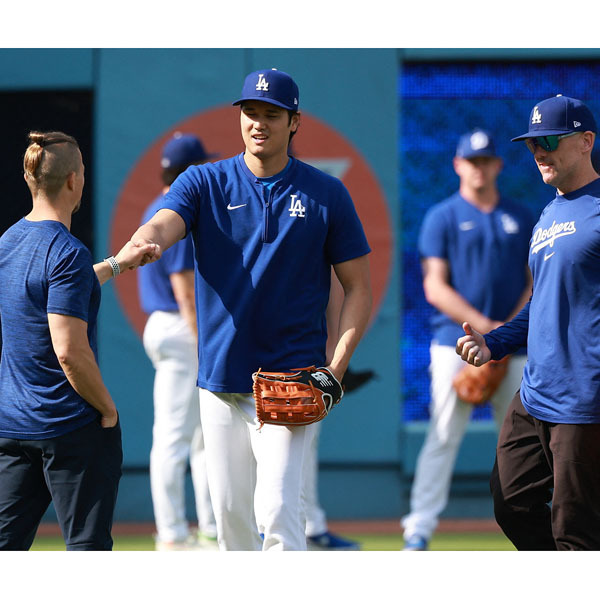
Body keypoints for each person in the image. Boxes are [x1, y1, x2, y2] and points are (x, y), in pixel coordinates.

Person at [129, 68, 373, 551]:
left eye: (271, 114)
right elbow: (165, 221)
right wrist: (145, 240)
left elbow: (357, 288)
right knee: (231, 521)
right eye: (250, 113)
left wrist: (335, 370)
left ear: (294, 122)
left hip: (291, 378)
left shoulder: (326, 193)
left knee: (281, 511)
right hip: (221, 379)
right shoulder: (204, 181)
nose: (258, 123)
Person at [456, 95, 600, 550]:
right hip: (536, 393)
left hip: (585, 398)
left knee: (575, 528)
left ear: (585, 141)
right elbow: (542, 303)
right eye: (533, 143)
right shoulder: (548, 216)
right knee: (511, 501)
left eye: (551, 140)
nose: (540, 151)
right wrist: (493, 343)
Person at [0, 131, 153, 550]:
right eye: (82, 170)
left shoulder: (7, 243)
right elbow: (69, 351)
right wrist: (107, 409)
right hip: (68, 426)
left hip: (12, 427)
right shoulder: (66, 251)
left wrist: (117, 264)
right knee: (87, 553)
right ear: (73, 181)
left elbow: (46, 292)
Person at [401, 129, 535, 551]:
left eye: (486, 161)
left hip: (512, 344)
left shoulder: (522, 215)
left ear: (498, 165)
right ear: (458, 165)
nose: (479, 168)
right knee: (442, 433)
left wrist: (503, 333)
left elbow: (537, 282)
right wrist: (484, 328)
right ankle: (419, 527)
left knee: (521, 441)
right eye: (471, 161)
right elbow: (435, 288)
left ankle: (532, 523)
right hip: (454, 341)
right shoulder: (442, 216)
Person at [138, 132, 218, 551]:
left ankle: (209, 527)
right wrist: (206, 345)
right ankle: (171, 532)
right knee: (175, 437)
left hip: (166, 326)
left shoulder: (158, 207)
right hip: (180, 327)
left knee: (202, 437)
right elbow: (185, 291)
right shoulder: (175, 211)